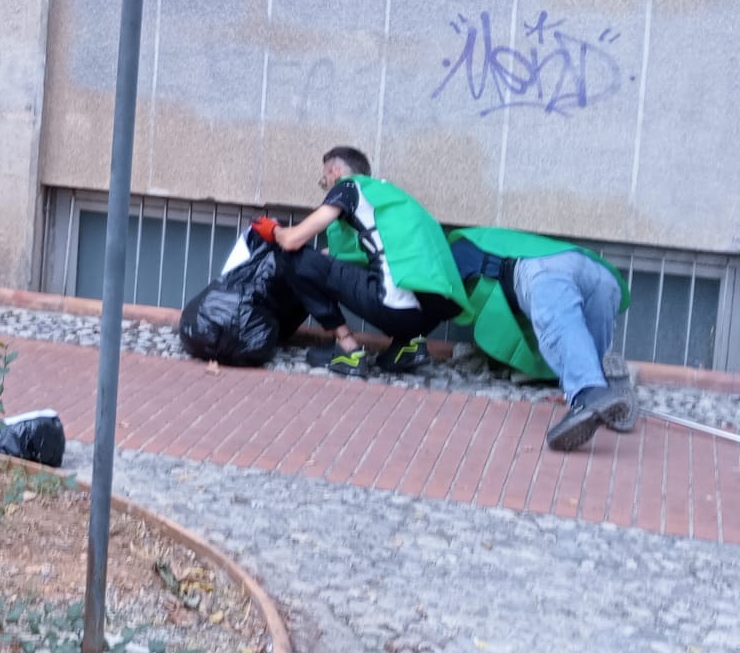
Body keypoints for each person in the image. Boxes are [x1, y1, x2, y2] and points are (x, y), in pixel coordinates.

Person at [253, 145, 466, 376]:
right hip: (429, 314)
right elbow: (362, 256)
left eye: (323, 180)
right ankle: (408, 345)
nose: (325, 186)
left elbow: (292, 240)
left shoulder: (348, 187)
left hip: (393, 309)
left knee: (294, 258)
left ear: (334, 171)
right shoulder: (391, 198)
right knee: (324, 262)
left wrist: (273, 230)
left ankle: (348, 349)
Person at [449, 227, 635, 452]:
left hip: (542, 271)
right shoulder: (488, 238)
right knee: (581, 340)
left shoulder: (455, 254)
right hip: (597, 272)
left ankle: (590, 393)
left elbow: (457, 304)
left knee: (559, 329)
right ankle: (603, 381)